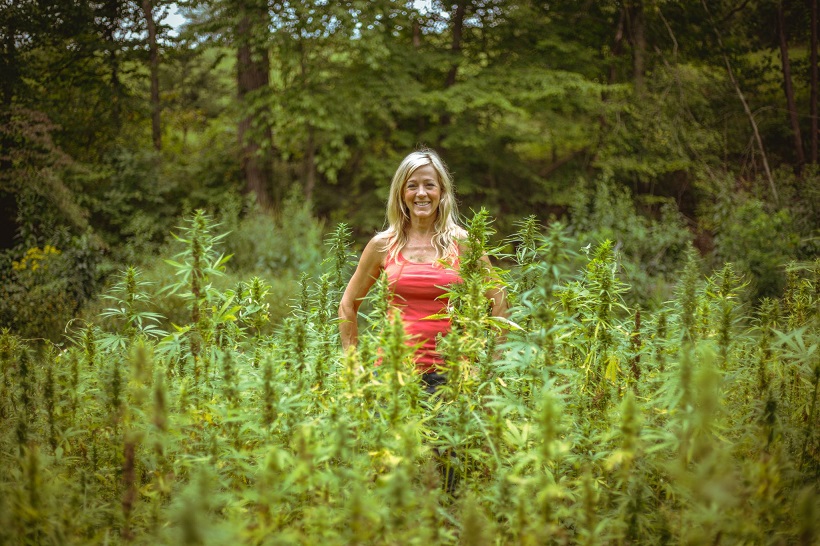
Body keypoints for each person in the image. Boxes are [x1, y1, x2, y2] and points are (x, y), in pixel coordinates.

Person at [338, 148, 507, 388]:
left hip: (452, 377)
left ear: (442, 191)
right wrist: (353, 363)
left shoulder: (463, 243)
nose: (421, 193)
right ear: (401, 193)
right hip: (393, 375)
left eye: (429, 185)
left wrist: (490, 364)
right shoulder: (382, 245)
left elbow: (499, 301)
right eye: (412, 186)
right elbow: (347, 305)